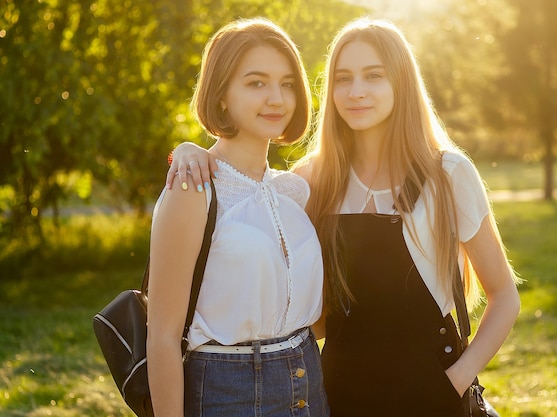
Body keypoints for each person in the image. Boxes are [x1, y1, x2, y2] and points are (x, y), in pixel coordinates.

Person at [167, 17, 521, 417]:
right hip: (335, 392)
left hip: (433, 391)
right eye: (343, 78)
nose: (356, 92)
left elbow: (505, 297)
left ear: (401, 83)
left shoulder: (448, 174)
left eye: (373, 76)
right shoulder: (309, 181)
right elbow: (303, 306)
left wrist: (453, 382)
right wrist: (190, 150)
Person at [148, 18, 328, 417]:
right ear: (222, 94)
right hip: (228, 392)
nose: (277, 99)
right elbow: (161, 335)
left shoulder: (294, 191)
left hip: (308, 384)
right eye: (256, 83)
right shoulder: (192, 187)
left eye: (287, 84)